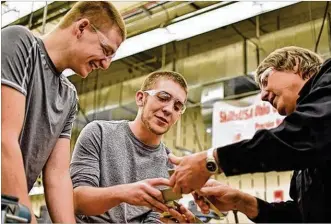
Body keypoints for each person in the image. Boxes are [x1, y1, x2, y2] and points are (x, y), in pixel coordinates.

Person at [168, 46, 331, 222]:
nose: (262, 96)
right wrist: (242, 202)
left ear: (296, 65)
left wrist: (211, 161)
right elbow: (301, 216)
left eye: (265, 79)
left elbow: (308, 132)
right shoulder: (305, 161)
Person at [1, 2, 126, 223]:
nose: (106, 65)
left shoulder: (68, 96)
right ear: (81, 28)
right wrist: (24, 217)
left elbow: (57, 177)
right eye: (106, 50)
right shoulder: (19, 43)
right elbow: (4, 139)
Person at [70, 71, 195, 223]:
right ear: (141, 98)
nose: (169, 109)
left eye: (177, 107)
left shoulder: (169, 166)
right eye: (163, 98)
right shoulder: (99, 133)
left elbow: (154, 219)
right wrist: (123, 193)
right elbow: (77, 201)